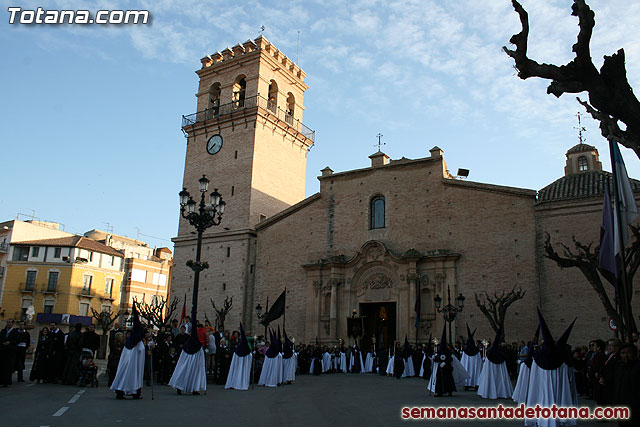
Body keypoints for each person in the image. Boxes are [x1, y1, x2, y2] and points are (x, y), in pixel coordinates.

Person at [111, 305, 145, 399]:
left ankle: (133, 392)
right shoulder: (135, 342)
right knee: (128, 375)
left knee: (128, 374)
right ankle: (124, 391)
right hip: (133, 364)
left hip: (134, 364)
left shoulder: (134, 342)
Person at [169, 316, 207, 395]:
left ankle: (194, 388)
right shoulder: (187, 342)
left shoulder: (193, 342)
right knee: (184, 370)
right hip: (188, 356)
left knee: (194, 372)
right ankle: (180, 386)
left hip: (194, 356)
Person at [610, 344, 640, 426]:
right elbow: (616, 389)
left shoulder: (638, 368)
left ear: (635, 354)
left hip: (635, 411)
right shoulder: (619, 368)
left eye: (628, 353)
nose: (625, 356)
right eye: (623, 353)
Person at [0, 318, 18, 387]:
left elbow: (17, 341)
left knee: (8, 367)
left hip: (10, 352)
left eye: (10, 322)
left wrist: (10, 342)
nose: (8, 324)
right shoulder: (3, 331)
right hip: (2, 351)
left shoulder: (15, 332)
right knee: (1, 366)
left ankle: (6, 381)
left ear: (12, 323)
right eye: (7, 322)